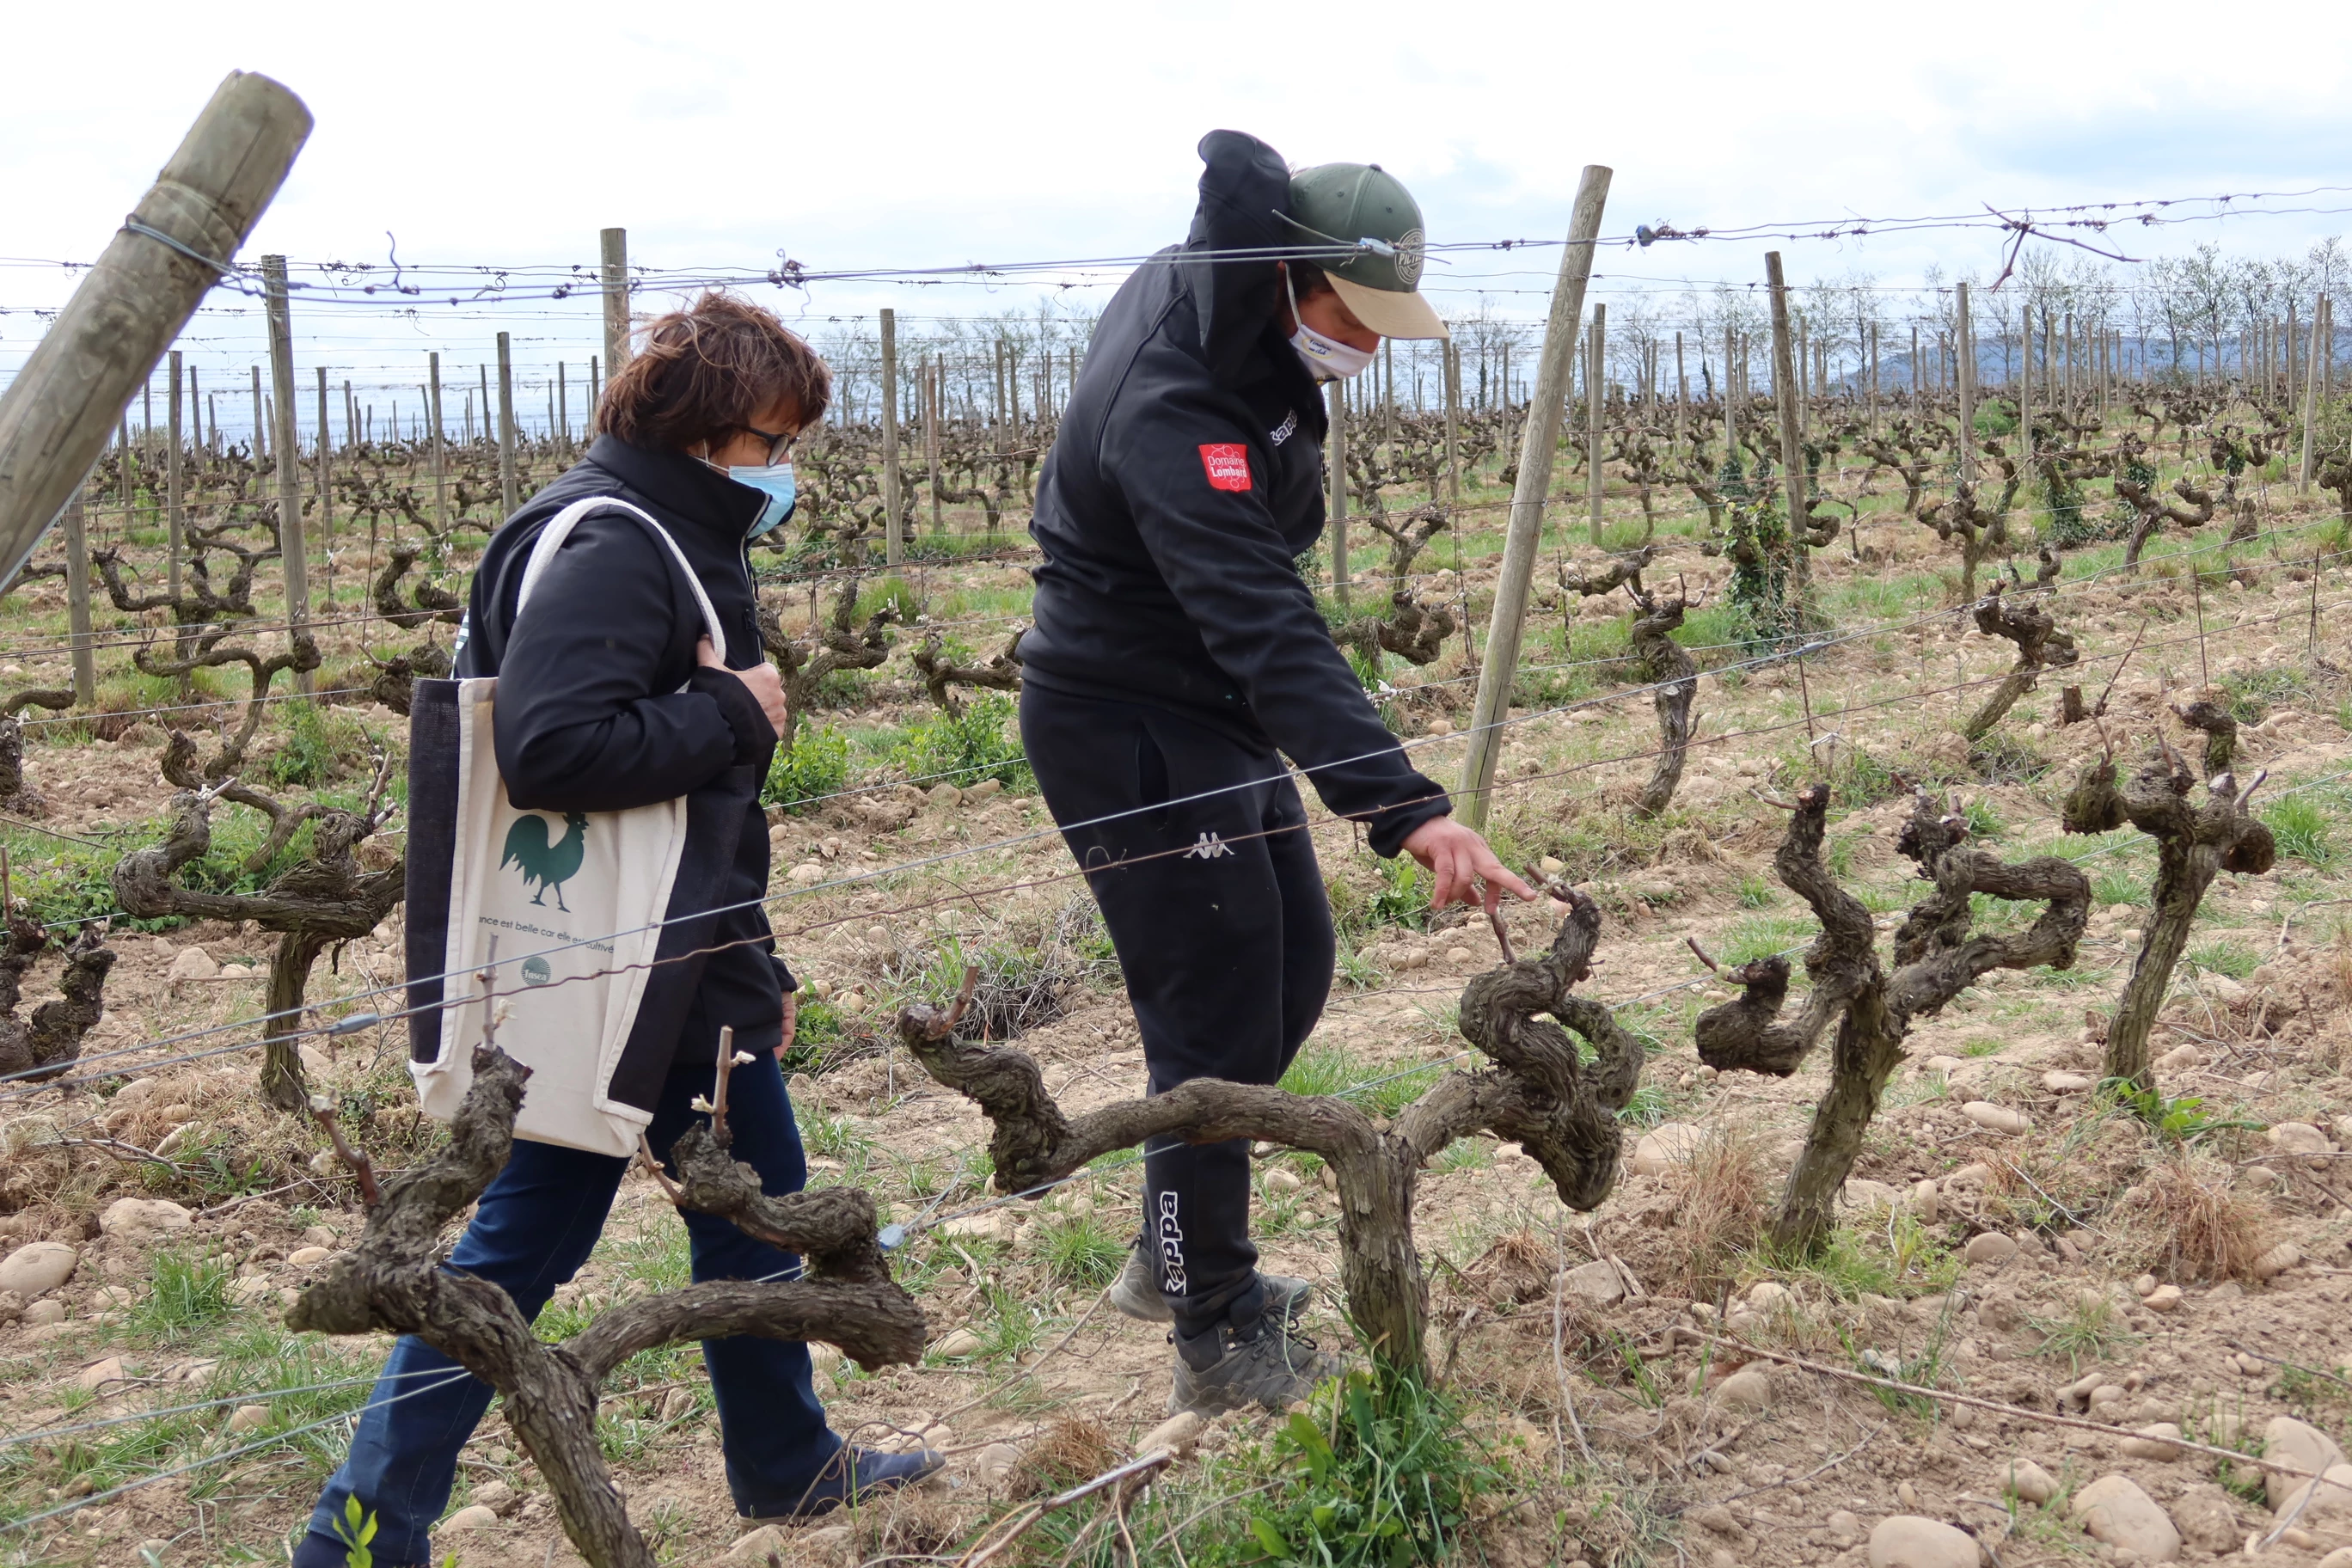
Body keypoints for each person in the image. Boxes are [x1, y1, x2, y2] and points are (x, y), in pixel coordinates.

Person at [288, 294, 940, 1568]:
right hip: (619, 974)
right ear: (708, 439)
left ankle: (788, 1463)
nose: (783, 470)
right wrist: (739, 710)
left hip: (674, 958)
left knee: (752, 1206)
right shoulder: (620, 549)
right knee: (528, 1235)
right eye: (773, 440)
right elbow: (552, 749)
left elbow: (688, 822)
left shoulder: (666, 532)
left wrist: (754, 968)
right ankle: (358, 1531)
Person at [1019, 132, 1534, 1417]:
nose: (1361, 343)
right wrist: (1406, 807)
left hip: (1209, 707)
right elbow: (1260, 613)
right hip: (1128, 722)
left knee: (1290, 968)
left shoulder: (1231, 306)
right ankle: (1209, 1321)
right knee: (1214, 1016)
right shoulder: (1173, 397)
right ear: (1287, 272)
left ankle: (1175, 1243)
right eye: (1350, 314)